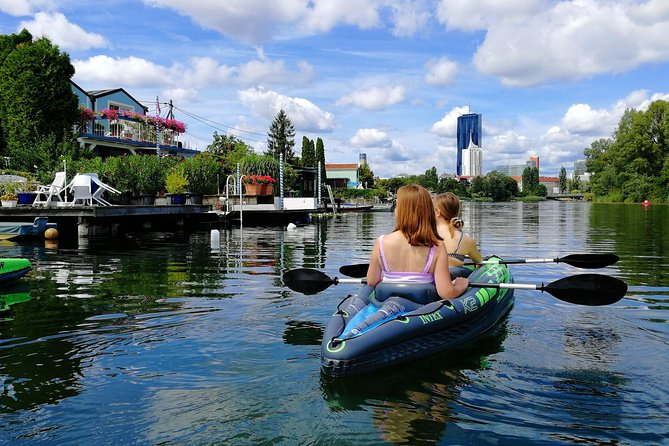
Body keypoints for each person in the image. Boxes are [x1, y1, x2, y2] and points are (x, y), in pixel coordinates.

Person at [366, 184, 468, 300]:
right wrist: (461, 285)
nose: (394, 209)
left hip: (387, 302)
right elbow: (446, 293)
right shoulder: (437, 246)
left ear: (401, 211)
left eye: (396, 206)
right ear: (427, 212)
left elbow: (372, 281)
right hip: (422, 307)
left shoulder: (380, 243)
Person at [433, 192, 483, 278]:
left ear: (437, 212)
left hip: (430, 279)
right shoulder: (467, 240)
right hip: (453, 279)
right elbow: (480, 263)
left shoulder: (425, 234)